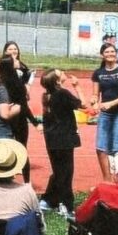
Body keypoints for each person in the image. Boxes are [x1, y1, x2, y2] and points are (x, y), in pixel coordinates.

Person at [39, 68, 82, 216]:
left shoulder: (47, 96)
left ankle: (48, 200)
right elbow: (80, 104)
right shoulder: (63, 93)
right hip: (64, 138)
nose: (64, 73)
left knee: (58, 171)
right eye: (60, 73)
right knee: (66, 172)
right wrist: (77, 86)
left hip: (51, 138)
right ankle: (66, 204)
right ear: (57, 81)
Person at [90, 42, 118, 179]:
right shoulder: (98, 73)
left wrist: (111, 103)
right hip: (105, 113)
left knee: (117, 148)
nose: (110, 54)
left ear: (116, 54)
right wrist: (94, 101)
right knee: (100, 148)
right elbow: (95, 94)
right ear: (102, 55)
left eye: (112, 52)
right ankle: (107, 179)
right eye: (107, 52)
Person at [0, 50, 36, 183]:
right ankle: (26, 182)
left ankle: (5, 179)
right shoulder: (16, 83)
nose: (17, 60)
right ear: (10, 65)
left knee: (4, 150)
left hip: (3, 120)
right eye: (14, 60)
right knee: (22, 150)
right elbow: (23, 105)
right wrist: (35, 122)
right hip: (18, 120)